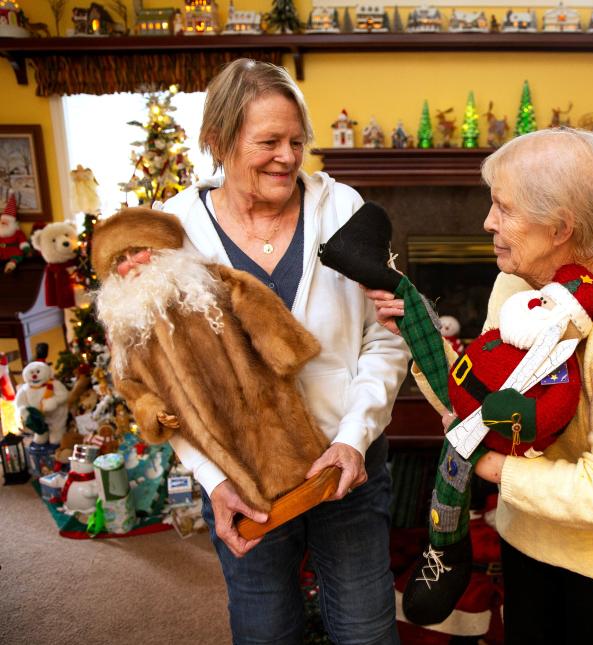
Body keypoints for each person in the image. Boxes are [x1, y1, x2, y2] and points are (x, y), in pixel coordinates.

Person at [368, 127, 593, 644]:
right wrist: (422, 339)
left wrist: (486, 465)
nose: (487, 222)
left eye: (504, 208)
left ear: (560, 226)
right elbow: (477, 410)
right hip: (528, 538)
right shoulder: (515, 284)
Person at [157, 58, 410, 644]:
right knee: (265, 632)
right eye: (268, 141)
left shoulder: (343, 209)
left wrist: (354, 437)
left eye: (297, 141)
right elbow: (166, 378)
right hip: (245, 479)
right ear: (219, 141)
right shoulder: (174, 232)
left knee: (367, 632)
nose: (289, 157)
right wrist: (211, 477)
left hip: (347, 468)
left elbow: (385, 335)